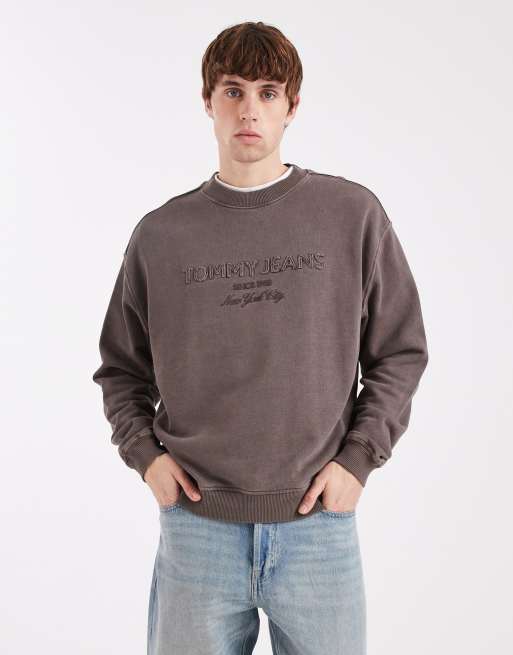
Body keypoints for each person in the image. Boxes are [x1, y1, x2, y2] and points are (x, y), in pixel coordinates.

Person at [92, 20, 429, 655]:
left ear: (292, 106)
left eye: (268, 93)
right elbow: (121, 370)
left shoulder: (351, 216)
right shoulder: (161, 236)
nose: (250, 110)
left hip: (318, 529)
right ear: (208, 102)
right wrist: (146, 457)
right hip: (198, 532)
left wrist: (358, 459)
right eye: (234, 91)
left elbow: (400, 350)